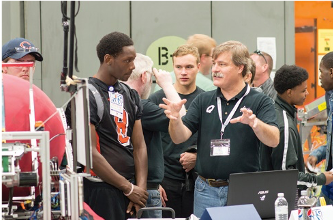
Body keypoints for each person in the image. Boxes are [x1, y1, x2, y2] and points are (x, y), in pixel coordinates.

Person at [159, 40, 279, 217]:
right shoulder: (203, 100)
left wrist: (255, 124)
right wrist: (175, 120)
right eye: (214, 63)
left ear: (240, 67)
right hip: (206, 189)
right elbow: (179, 137)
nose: (215, 69)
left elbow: (274, 139)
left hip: (243, 189)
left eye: (222, 64)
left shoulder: (260, 101)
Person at [81, 32, 148, 220]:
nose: (133, 66)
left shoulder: (130, 94)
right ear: (108, 59)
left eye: (133, 60)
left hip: (131, 190)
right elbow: (89, 153)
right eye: (127, 60)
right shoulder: (86, 94)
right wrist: (128, 188)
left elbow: (140, 146)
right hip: (101, 188)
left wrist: (139, 190)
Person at [124, 53, 186, 218]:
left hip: (126, 184)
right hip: (144, 191)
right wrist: (167, 84)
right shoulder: (141, 105)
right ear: (144, 76)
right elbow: (181, 117)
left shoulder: (116, 101)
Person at [149, 44, 204, 218]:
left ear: (199, 67)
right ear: (173, 68)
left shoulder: (205, 100)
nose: (183, 72)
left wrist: (198, 156)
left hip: (197, 182)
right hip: (166, 181)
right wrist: (154, 182)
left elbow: (213, 139)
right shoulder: (158, 98)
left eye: (189, 67)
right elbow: (143, 142)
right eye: (179, 67)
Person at [260, 65, 333, 194]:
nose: (307, 93)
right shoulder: (284, 126)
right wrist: (320, 178)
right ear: (289, 92)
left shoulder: (275, 110)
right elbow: (286, 177)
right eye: (303, 90)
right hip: (280, 198)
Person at [307, 51, 333, 205]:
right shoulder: (329, 97)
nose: (319, 76)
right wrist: (317, 155)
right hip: (329, 184)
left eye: (320, 71)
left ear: (331, 72)